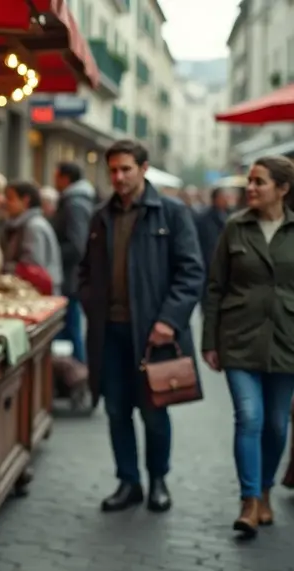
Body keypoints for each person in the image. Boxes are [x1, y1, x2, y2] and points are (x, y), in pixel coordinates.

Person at [78, 139, 204, 513]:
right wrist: (89, 300)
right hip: (110, 333)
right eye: (113, 170)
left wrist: (169, 320)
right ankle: (128, 481)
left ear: (144, 169)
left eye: (126, 169)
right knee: (116, 410)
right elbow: (85, 269)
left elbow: (192, 272)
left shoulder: (172, 213)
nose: (118, 176)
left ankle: (158, 481)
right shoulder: (101, 216)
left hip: (154, 335)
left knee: (154, 410)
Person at [201, 156, 294, 538]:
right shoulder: (235, 228)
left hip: (287, 341)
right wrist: (210, 340)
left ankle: (267, 490)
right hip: (238, 339)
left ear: (283, 189)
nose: (250, 188)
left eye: (259, 182)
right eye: (249, 181)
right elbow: (214, 287)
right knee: (250, 417)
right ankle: (249, 500)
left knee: (276, 423)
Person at [52, 161, 96, 363]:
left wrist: (52, 254)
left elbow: (77, 245)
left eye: (56, 175)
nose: (54, 180)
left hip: (71, 277)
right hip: (72, 276)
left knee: (72, 327)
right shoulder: (74, 200)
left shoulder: (74, 203)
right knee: (71, 326)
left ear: (65, 178)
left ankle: (78, 373)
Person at [2, 180, 63, 295]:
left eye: (10, 198)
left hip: (38, 294)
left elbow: (32, 267)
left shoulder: (32, 227)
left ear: (25, 200)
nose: (6, 203)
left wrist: (6, 267)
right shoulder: (26, 224)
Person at [194, 187, 237, 276]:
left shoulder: (232, 216)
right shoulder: (203, 219)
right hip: (209, 263)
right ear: (216, 198)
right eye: (225, 197)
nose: (227, 200)